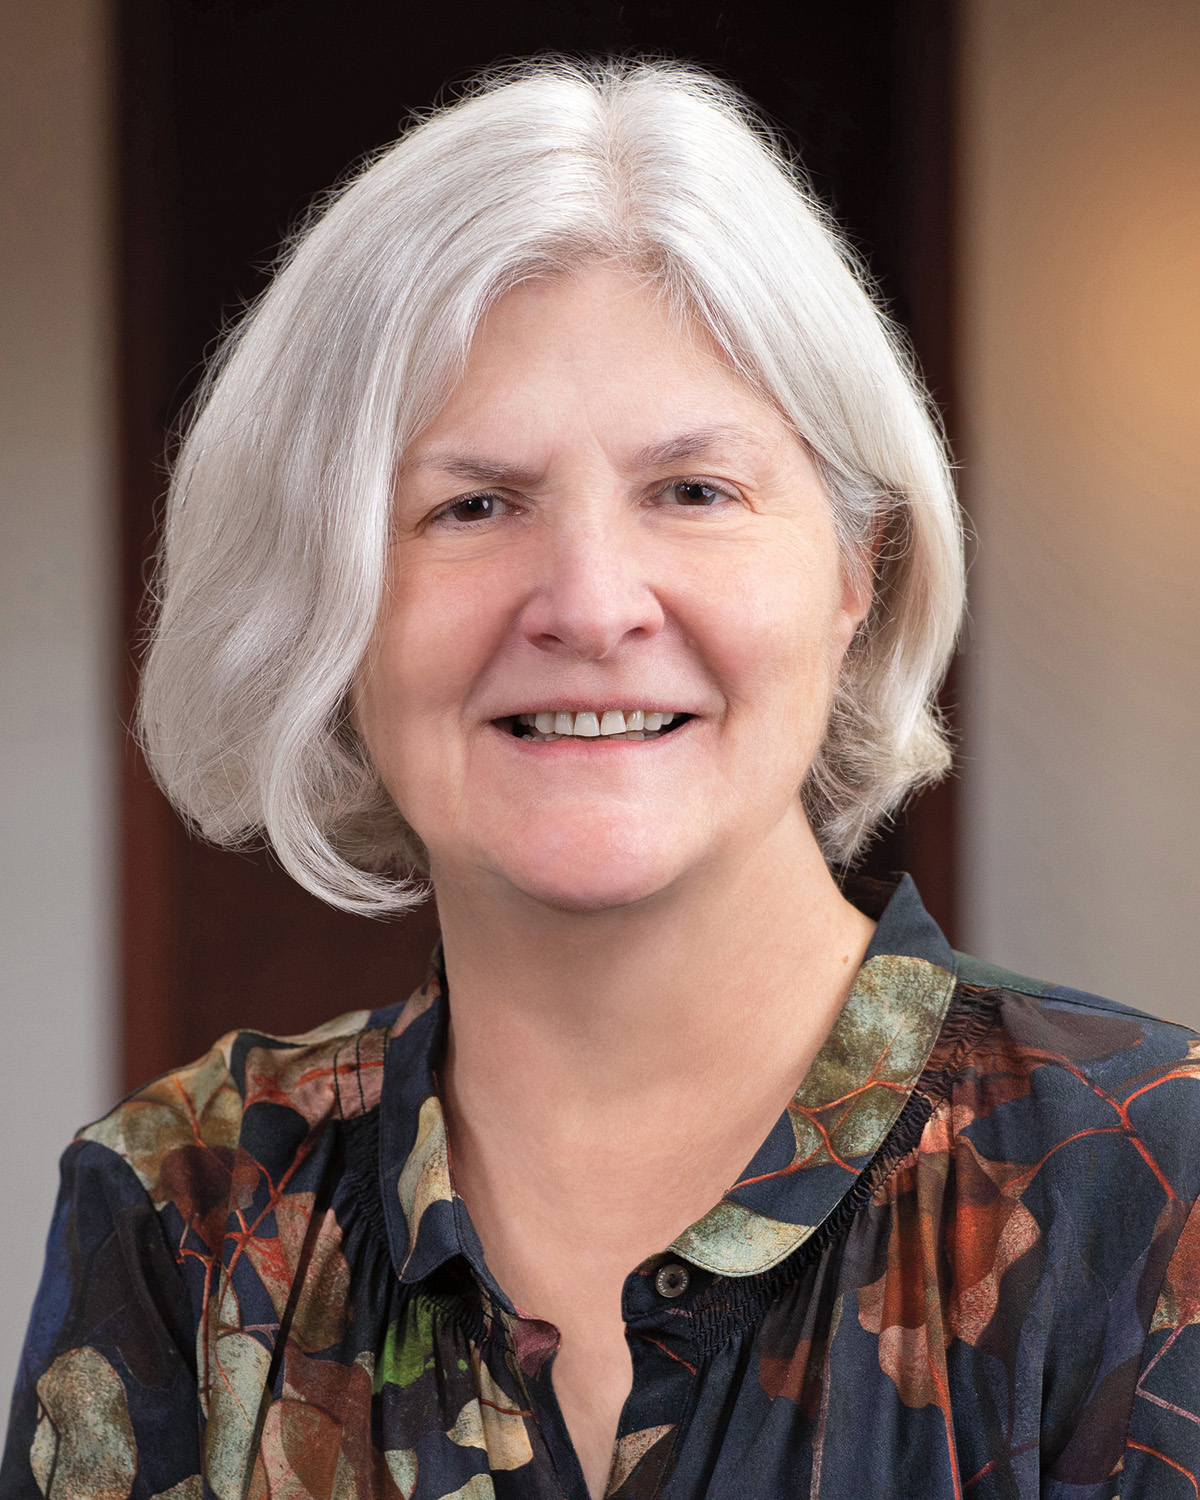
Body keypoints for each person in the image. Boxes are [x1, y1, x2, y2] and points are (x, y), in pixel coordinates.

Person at [3, 57, 1198, 1500]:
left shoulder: (1152, 1186)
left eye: (692, 492)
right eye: (474, 504)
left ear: (852, 575)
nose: (587, 601)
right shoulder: (181, 1213)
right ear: (326, 604)